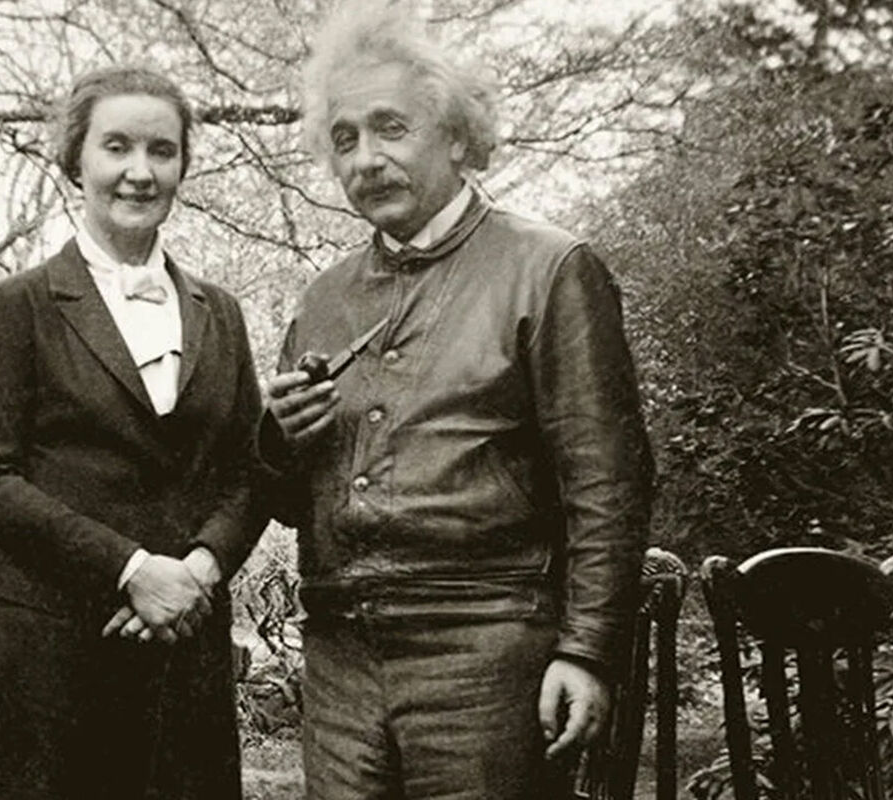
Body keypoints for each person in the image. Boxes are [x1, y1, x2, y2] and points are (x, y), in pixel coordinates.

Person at [261, 3, 655, 798]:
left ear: (455, 136)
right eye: (345, 139)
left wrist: (585, 651)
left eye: (390, 127)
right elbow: (291, 503)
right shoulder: (324, 299)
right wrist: (278, 441)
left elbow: (609, 484)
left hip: (489, 653)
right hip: (339, 660)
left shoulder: (549, 269)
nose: (367, 158)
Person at [0, 66, 262, 799]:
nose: (139, 171)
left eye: (162, 150)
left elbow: (250, 470)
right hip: (51, 665)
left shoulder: (220, 313)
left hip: (184, 661)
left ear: (183, 166)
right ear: (76, 161)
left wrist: (197, 572)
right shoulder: (21, 305)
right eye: (116, 146)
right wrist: (131, 570)